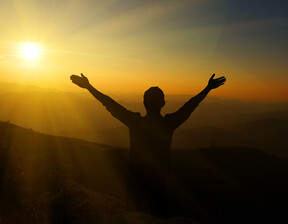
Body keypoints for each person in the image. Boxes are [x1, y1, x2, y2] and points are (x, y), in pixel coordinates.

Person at [70, 73, 226, 217]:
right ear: (163, 103)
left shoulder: (134, 122)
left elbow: (109, 103)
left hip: (136, 181)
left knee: (134, 216)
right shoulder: (168, 124)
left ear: (144, 102)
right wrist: (207, 88)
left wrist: (89, 87)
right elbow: (190, 106)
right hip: (159, 183)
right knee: (157, 217)